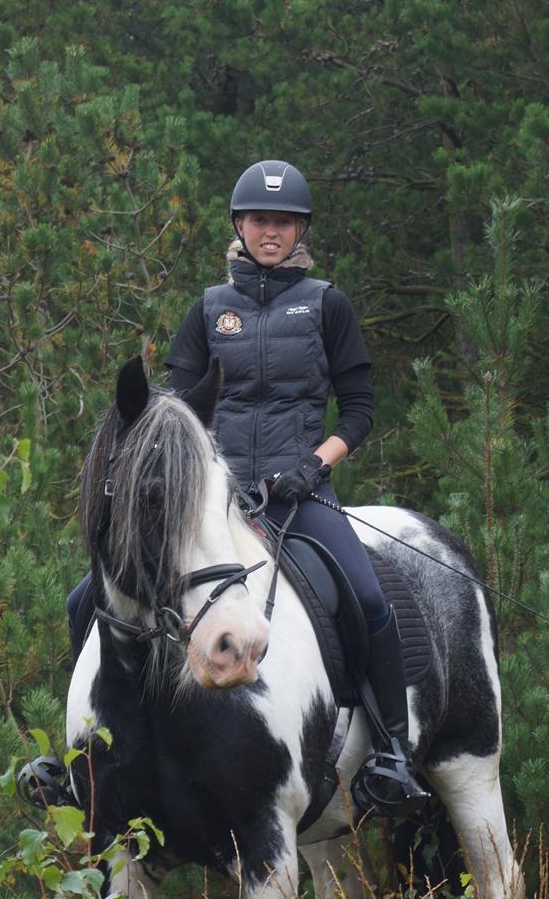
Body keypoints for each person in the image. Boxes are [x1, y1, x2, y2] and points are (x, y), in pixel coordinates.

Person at [162, 159, 430, 816]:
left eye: (282, 222)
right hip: (216, 500)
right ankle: (86, 753)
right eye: (259, 220)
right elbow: (176, 407)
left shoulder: (326, 304)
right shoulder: (206, 310)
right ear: (239, 225)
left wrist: (316, 464)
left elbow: (360, 406)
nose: (269, 232)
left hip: (298, 493)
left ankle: (392, 750)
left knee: (367, 599)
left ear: (299, 227)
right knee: (94, 593)